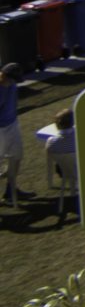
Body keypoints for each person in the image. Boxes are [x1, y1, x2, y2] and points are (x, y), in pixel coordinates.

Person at [0, 63, 21, 204]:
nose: (14, 83)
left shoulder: (11, 85)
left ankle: (10, 190)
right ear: (4, 76)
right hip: (1, 129)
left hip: (12, 124)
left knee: (17, 156)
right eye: (13, 79)